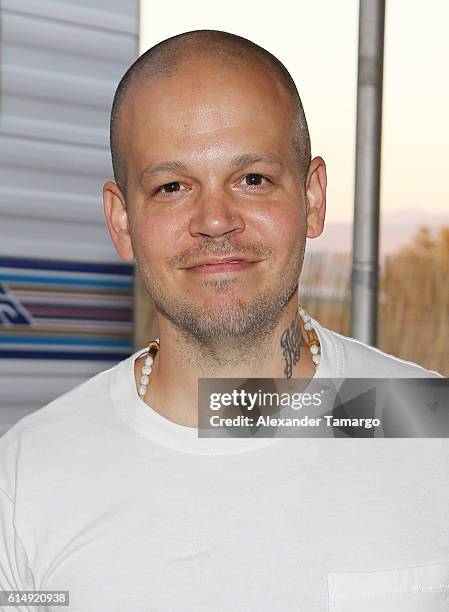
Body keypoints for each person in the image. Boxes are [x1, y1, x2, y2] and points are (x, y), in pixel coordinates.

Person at [0, 30, 447, 612]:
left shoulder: (429, 428)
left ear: (312, 199)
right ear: (122, 222)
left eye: (252, 179)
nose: (215, 220)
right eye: (172, 187)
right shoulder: (27, 478)